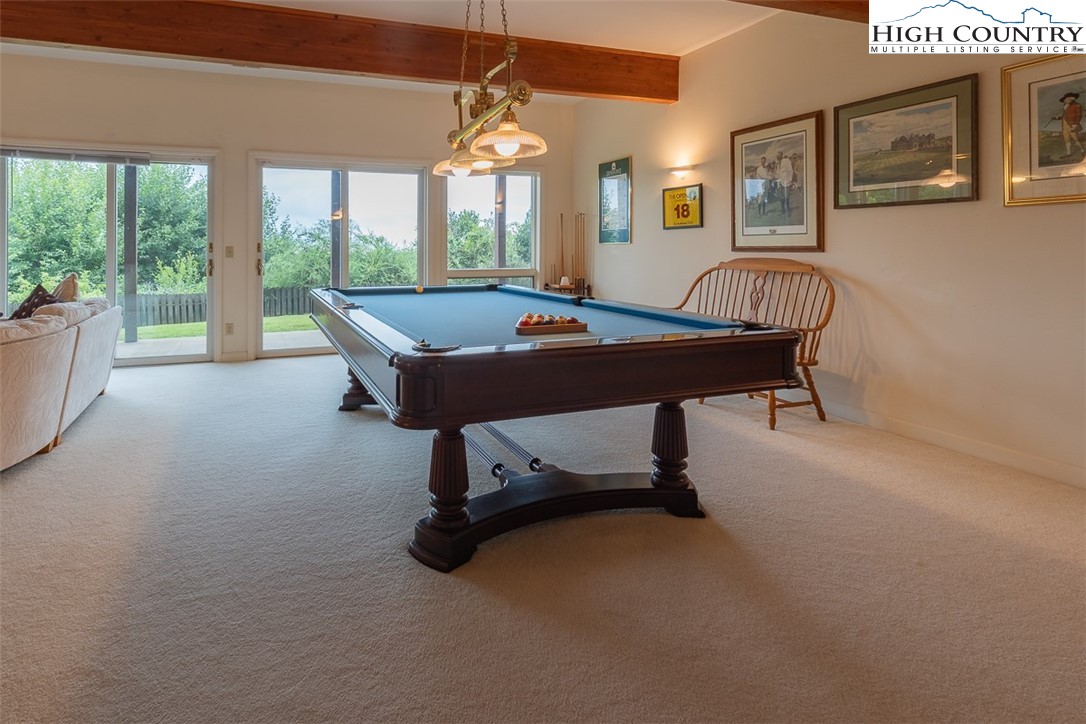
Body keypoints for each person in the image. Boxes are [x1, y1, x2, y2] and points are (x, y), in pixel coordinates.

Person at [1054, 91, 1085, 160]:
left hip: (1072, 125)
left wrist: (1075, 124)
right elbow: (1065, 116)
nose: (1065, 100)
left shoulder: (1077, 105)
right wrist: (1057, 118)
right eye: (1065, 99)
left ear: (1072, 98)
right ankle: (1068, 153)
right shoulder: (1065, 106)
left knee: (1075, 138)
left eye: (1067, 99)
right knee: (1066, 140)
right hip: (1064, 125)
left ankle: (1082, 150)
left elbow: (1078, 116)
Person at [775, 151, 795, 216]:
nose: (777, 157)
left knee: (786, 197)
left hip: (786, 182)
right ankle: (783, 210)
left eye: (778, 156)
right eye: (777, 156)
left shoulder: (786, 161)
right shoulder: (777, 164)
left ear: (781, 155)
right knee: (781, 198)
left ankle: (788, 210)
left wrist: (790, 180)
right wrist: (775, 178)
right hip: (779, 183)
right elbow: (778, 174)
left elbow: (790, 170)